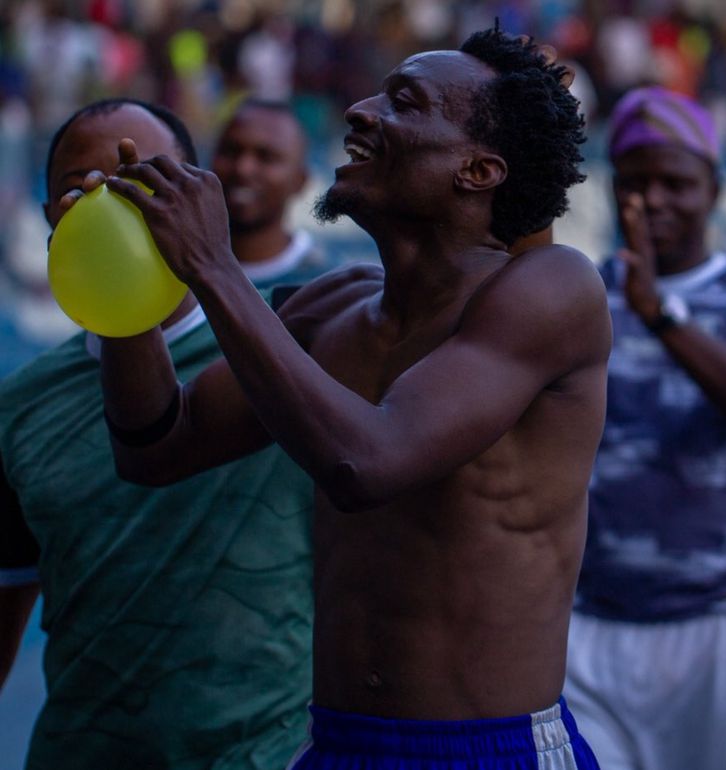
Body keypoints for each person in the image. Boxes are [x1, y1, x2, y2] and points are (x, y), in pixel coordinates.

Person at [93, 29, 610, 770]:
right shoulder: (331, 307)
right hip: (337, 746)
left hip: (489, 751)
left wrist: (212, 265)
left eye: (404, 102)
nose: (360, 112)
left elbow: (366, 463)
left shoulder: (553, 290)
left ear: (479, 169)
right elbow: (153, 447)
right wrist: (127, 275)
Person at [0, 98, 317, 770]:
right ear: (50, 221)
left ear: (201, 201)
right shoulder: (20, 407)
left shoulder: (289, 353)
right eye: (75, 188)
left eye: (141, 179)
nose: (108, 200)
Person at [564, 86, 726, 770]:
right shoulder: (577, 297)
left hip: (723, 618)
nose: (652, 201)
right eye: (635, 182)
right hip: (591, 623)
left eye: (676, 183)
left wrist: (659, 314)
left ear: (714, 188)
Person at [211, 97, 333, 287]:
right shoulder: (177, 270)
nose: (243, 168)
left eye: (266, 157)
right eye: (231, 151)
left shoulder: (329, 286)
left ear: (300, 181)